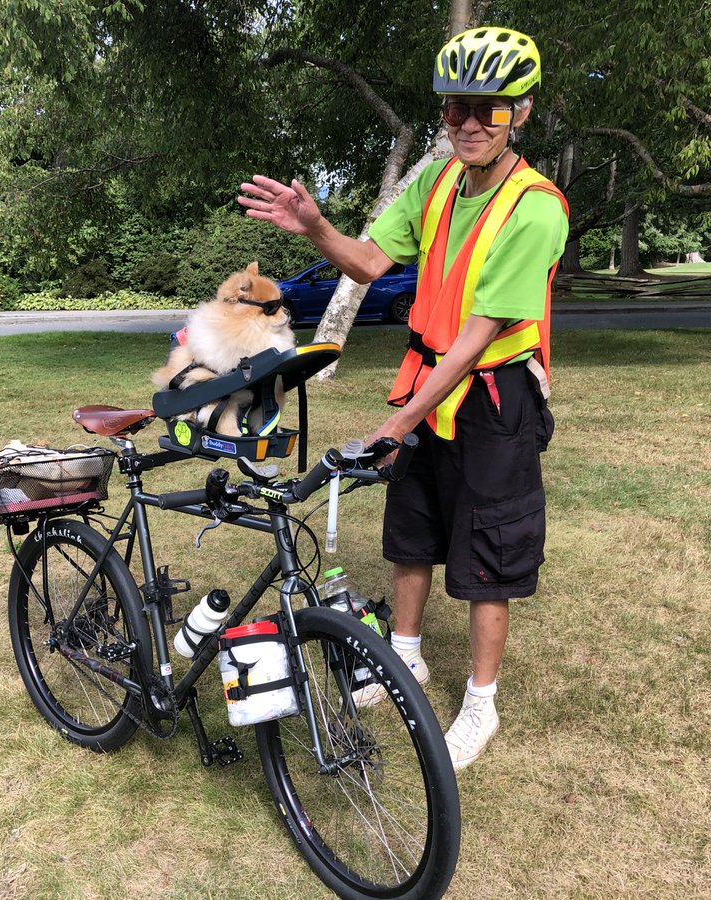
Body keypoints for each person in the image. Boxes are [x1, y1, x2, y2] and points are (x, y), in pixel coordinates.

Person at [238, 26, 569, 770]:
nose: (471, 123)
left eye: (491, 108)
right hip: (429, 378)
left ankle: (481, 702)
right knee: (412, 525)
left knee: (491, 544)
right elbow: (365, 261)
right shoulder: (436, 182)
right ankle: (405, 658)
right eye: (456, 108)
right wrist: (317, 226)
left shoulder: (537, 206)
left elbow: (481, 335)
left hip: (494, 393)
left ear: (522, 111)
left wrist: (399, 418)